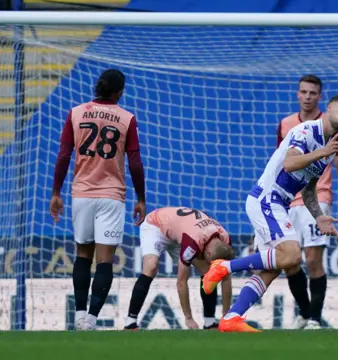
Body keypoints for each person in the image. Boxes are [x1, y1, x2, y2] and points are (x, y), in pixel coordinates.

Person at [202, 93, 338, 332]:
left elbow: (307, 190)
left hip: (279, 203)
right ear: (328, 108)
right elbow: (290, 163)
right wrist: (322, 152)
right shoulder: (306, 131)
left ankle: (231, 318)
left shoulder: (328, 149)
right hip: (267, 198)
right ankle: (225, 267)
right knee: (293, 256)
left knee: (271, 269)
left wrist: (318, 216)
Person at [50, 69, 146, 330]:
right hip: (111, 195)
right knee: (105, 260)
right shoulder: (127, 118)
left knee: (82, 254)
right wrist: (141, 197)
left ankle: (79, 316)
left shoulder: (76, 112)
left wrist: (56, 192)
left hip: (81, 193)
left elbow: (63, 155)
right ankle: (91, 320)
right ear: (119, 92)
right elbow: (135, 162)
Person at [277, 75, 338, 330]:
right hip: (290, 198)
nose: (308, 97)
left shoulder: (333, 125)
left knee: (312, 260)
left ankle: (315, 319)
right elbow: (281, 161)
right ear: (297, 94)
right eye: (303, 92)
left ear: (321, 97)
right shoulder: (286, 124)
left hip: (318, 196)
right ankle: (305, 313)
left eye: (313, 93)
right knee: (290, 261)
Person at [124, 207, 233, 330]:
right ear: (207, 253)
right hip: (156, 225)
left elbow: (226, 278)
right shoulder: (193, 242)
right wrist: (189, 319)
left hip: (182, 230)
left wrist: (226, 315)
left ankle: (210, 322)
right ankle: (130, 323)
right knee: (151, 267)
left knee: (208, 272)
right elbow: (181, 282)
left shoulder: (225, 239)